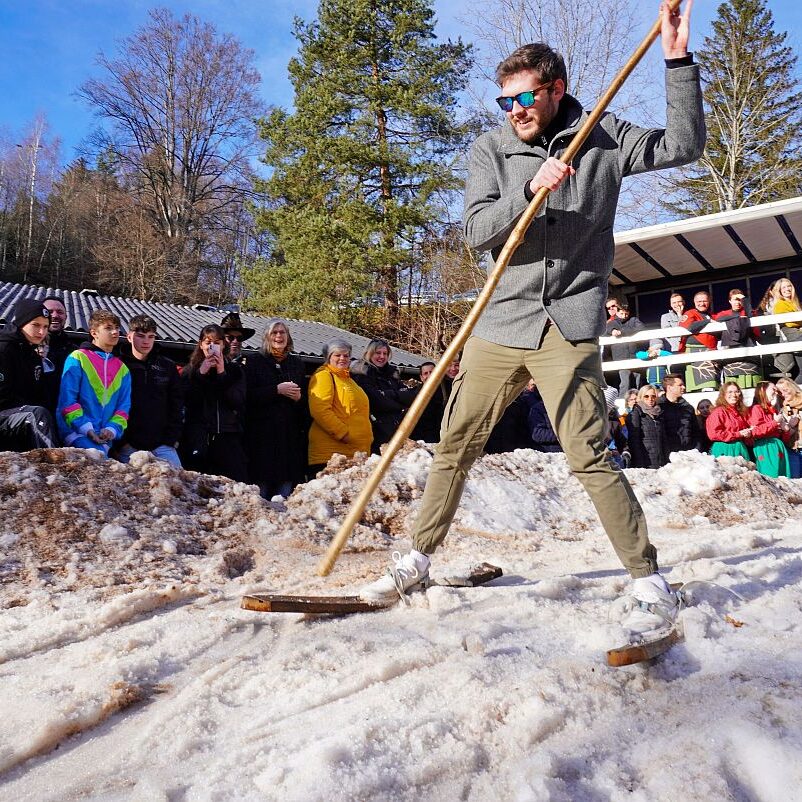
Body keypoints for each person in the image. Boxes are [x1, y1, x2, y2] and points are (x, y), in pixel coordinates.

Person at [360, 1, 705, 637]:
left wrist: (677, 60)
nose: (514, 111)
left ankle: (649, 579)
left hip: (568, 324)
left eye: (524, 98)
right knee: (456, 443)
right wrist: (526, 191)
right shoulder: (491, 151)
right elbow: (473, 234)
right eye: (505, 101)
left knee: (588, 452)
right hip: (500, 322)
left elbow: (684, 147)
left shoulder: (602, 136)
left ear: (556, 90)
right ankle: (415, 561)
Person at [245, 318, 308, 498]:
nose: (279, 336)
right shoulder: (254, 361)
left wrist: (299, 398)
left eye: (283, 332)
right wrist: (276, 390)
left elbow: (306, 403)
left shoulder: (297, 363)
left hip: (289, 436)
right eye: (275, 332)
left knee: (286, 491)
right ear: (267, 337)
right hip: (262, 435)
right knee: (261, 490)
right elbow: (247, 396)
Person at [56, 309, 131, 457]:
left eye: (116, 328)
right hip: (76, 434)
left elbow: (124, 407)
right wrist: (86, 429)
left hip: (104, 440)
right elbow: (67, 400)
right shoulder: (77, 357)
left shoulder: (123, 369)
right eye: (108, 328)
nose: (115, 332)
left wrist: (112, 429)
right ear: (94, 332)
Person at [180, 324, 247, 481]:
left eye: (217, 342)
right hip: (197, 437)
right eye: (208, 341)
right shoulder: (190, 371)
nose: (212, 346)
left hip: (227, 436)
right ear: (201, 344)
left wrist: (222, 372)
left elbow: (237, 401)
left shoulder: (235, 371)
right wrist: (200, 374)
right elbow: (185, 400)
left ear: (223, 345)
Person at [116, 314, 183, 468]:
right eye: (140, 336)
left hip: (162, 445)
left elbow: (177, 404)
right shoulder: (118, 365)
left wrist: (171, 438)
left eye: (151, 336)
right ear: (129, 336)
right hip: (128, 446)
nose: (146, 341)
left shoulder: (167, 366)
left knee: (180, 486)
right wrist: (121, 443)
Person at [0, 298, 60, 450]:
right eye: (36, 325)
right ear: (21, 323)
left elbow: (37, 394)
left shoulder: (33, 356)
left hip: (17, 414)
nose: (42, 332)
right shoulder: (3, 349)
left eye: (45, 326)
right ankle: (54, 468)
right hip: (5, 413)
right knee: (36, 415)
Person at [307, 339, 372, 476]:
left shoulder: (349, 380)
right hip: (332, 454)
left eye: (346, 355)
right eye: (337, 355)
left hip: (354, 452)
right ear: (328, 357)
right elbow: (320, 409)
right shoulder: (324, 376)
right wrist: (343, 434)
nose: (342, 358)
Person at [352, 339, 415, 453]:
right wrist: (399, 400)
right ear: (369, 353)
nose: (382, 356)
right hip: (376, 431)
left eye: (385, 353)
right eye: (378, 353)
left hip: (397, 429)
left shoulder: (392, 374)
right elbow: (378, 402)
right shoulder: (362, 374)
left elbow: (410, 396)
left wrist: (389, 394)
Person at [713, 288, 761, 388]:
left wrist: (745, 301)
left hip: (748, 350)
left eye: (740, 299)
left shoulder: (748, 312)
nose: (738, 302)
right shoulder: (725, 313)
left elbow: (751, 315)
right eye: (735, 299)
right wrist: (737, 318)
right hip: (731, 351)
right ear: (730, 301)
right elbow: (718, 319)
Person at [748, 381, 791, 478]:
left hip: (777, 448)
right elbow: (755, 431)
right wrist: (774, 422)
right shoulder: (756, 409)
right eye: (773, 389)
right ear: (763, 391)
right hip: (765, 448)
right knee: (771, 477)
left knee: (783, 479)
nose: (776, 392)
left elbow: (782, 437)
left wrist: (785, 430)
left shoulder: (772, 410)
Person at [680, 290, 719, 391]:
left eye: (705, 301)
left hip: (711, 351)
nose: (702, 303)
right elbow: (690, 327)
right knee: (701, 386)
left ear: (709, 301)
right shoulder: (690, 313)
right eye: (699, 301)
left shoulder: (711, 315)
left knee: (713, 386)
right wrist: (708, 321)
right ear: (694, 302)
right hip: (696, 351)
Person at [605, 302, 647, 397]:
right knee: (625, 382)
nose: (624, 316)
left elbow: (641, 327)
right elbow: (608, 330)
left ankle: (638, 402)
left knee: (637, 380)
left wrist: (622, 332)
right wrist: (613, 331)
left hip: (635, 356)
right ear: (617, 313)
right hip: (621, 358)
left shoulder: (633, 320)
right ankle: (623, 403)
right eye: (621, 313)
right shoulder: (612, 323)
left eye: (626, 313)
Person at [705, 382, 753, 461]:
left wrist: (747, 434)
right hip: (724, 449)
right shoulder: (718, 412)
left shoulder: (740, 412)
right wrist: (738, 434)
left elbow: (743, 433)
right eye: (730, 392)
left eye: (736, 392)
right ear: (723, 394)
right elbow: (714, 434)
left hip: (740, 448)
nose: (734, 395)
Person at [626, 384, 667, 469]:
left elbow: (663, 438)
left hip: (661, 460)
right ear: (641, 397)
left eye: (653, 396)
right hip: (645, 460)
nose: (650, 399)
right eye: (646, 396)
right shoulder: (636, 413)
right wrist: (640, 463)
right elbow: (634, 440)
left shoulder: (659, 413)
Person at [658, 374, 699, 456]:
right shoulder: (659, 408)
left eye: (683, 385)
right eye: (680, 385)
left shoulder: (688, 408)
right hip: (667, 456)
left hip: (688, 455)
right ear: (669, 387)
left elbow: (696, 432)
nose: (684, 387)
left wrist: (696, 451)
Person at [410, 361, 448, 444]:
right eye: (425, 373)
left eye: (432, 372)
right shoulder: (416, 395)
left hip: (444, 435)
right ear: (421, 377)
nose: (429, 375)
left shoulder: (446, 390)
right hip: (424, 439)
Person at [772, 278, 802, 381]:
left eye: (789, 286)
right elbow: (789, 323)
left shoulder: (795, 303)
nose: (787, 289)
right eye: (783, 287)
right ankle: (796, 393)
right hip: (795, 337)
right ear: (779, 291)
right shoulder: (780, 304)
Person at [521, 379, 561, 453]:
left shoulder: (564, 407)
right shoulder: (538, 408)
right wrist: (562, 434)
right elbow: (537, 434)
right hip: (549, 454)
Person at [776, 377, 802, 477]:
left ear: (792, 388)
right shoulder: (784, 409)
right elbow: (785, 432)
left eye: (785, 390)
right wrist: (791, 425)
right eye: (779, 392)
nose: (783, 394)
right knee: (795, 483)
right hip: (792, 448)